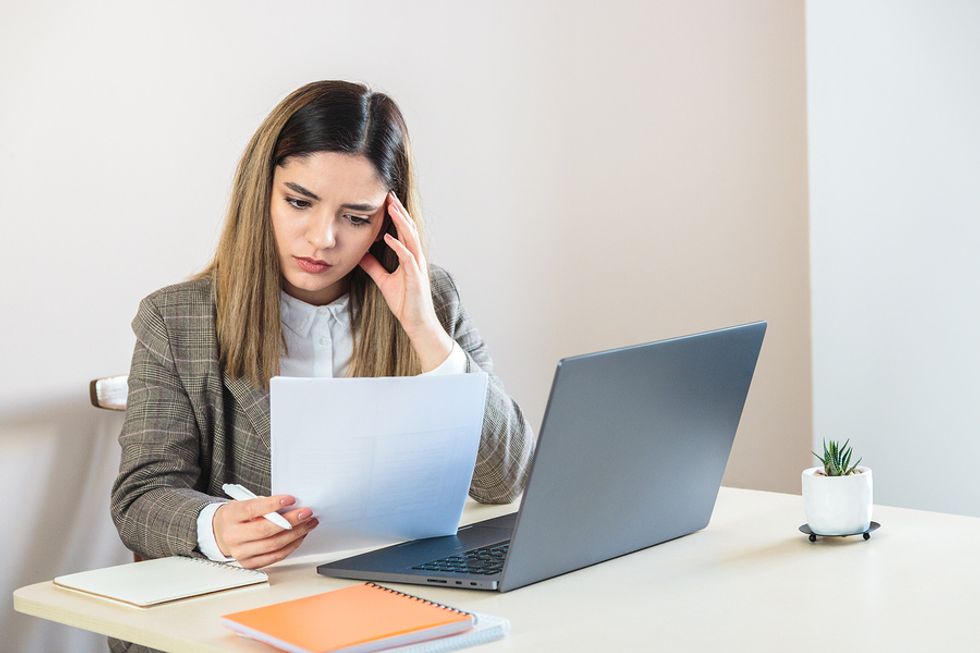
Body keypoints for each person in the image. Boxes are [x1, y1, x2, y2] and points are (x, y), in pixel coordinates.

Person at [108, 80, 534, 649]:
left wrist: (424, 329)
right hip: (241, 612)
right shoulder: (177, 319)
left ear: (390, 219)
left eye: (357, 217)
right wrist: (213, 528)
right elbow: (141, 498)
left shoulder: (431, 300)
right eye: (299, 202)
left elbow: (503, 479)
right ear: (261, 191)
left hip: (393, 604)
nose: (323, 238)